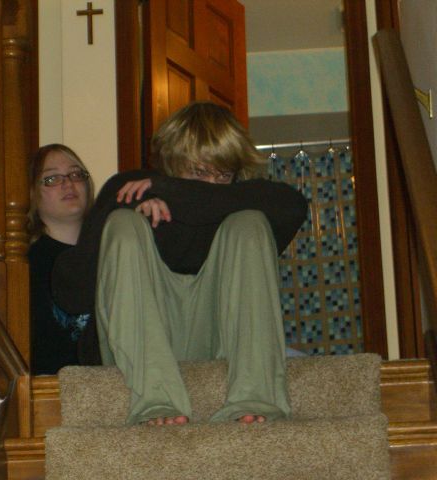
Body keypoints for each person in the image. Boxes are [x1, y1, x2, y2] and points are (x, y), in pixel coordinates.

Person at [52, 102, 308, 426]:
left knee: (250, 223)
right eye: (198, 172)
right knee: (123, 225)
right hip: (140, 344)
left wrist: (174, 193)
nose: (211, 185)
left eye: (223, 175)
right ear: (172, 163)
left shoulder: (235, 198)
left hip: (216, 339)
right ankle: (156, 400)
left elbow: (294, 206)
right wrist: (125, 212)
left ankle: (255, 396)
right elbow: (71, 294)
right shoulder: (130, 187)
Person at [28, 144, 100, 375]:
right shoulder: (26, 262)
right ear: (33, 193)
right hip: (53, 383)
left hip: (112, 378)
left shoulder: (112, 249)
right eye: (52, 179)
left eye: (76, 174)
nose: (68, 183)